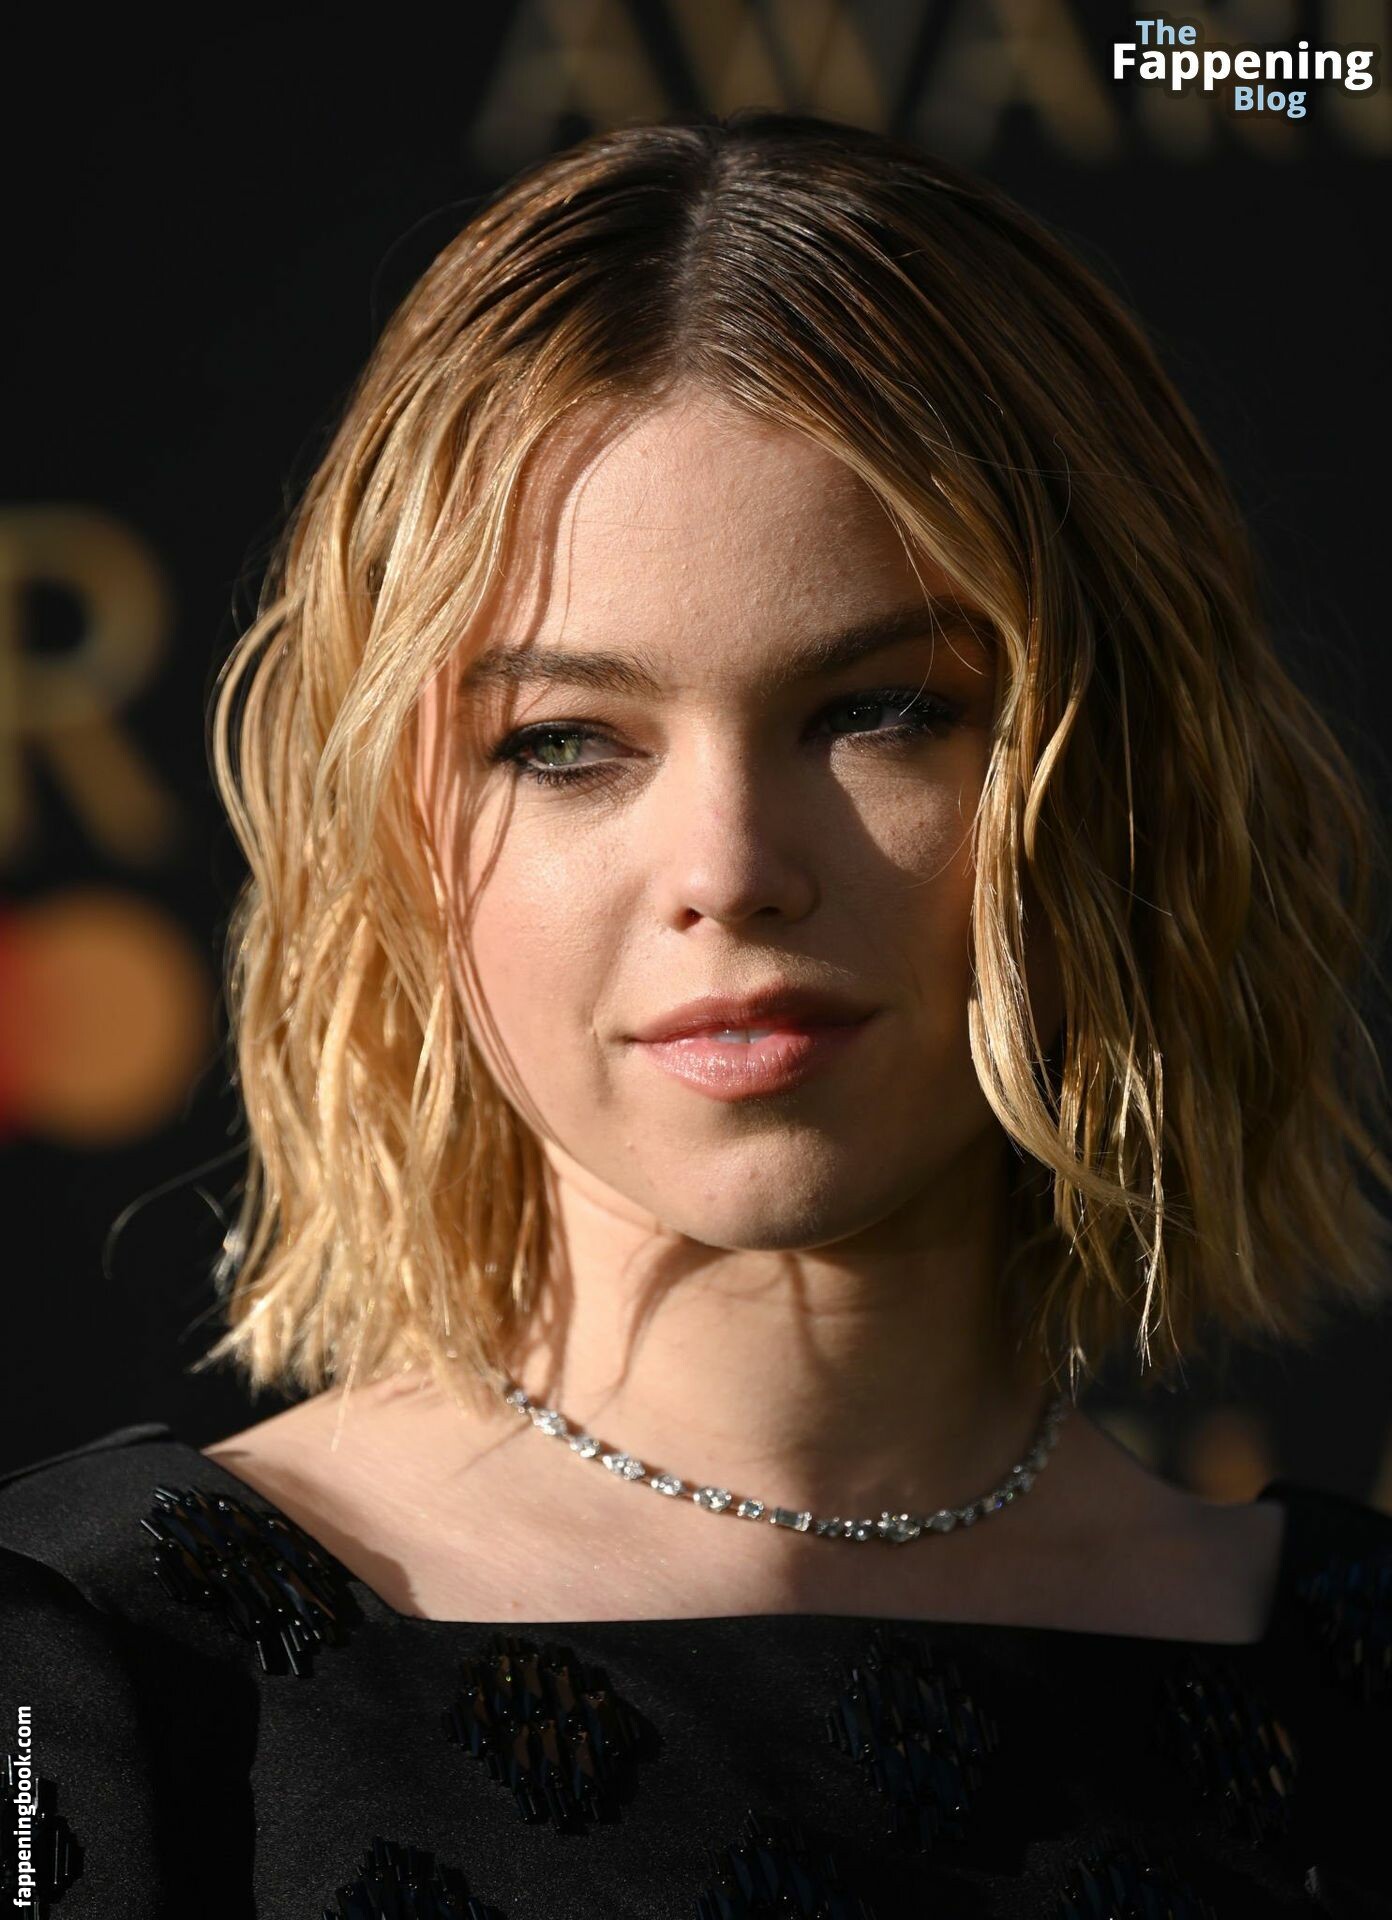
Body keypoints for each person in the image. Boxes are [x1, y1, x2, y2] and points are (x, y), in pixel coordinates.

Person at [2, 109, 1389, 1920]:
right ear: (397, 823)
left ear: (1127, 770)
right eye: (566, 743)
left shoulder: (1356, 1681)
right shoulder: (98, 1667)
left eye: (882, 711)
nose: (730, 869)